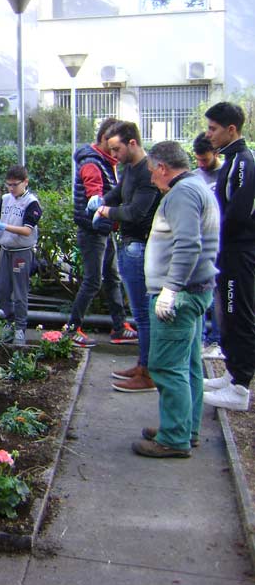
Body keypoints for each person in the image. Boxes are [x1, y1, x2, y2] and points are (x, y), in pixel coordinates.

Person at [133, 141, 219, 458]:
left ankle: (173, 438)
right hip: (195, 290)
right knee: (189, 365)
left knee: (167, 367)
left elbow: (188, 244)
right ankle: (183, 427)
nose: (151, 178)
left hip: (180, 297)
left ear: (162, 168)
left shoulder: (182, 193)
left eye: (152, 171)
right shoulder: (195, 186)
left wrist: (169, 290)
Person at [92, 122, 161, 392]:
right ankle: (143, 365)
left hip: (140, 247)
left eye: (116, 149)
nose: (114, 155)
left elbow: (135, 212)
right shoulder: (131, 168)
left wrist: (106, 212)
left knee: (143, 315)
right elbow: (119, 192)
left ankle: (148, 373)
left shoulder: (147, 172)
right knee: (140, 313)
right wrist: (100, 199)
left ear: (132, 143)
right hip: (129, 244)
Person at [202, 102, 255, 411]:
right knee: (228, 315)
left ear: (231, 129)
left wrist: (214, 234)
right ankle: (232, 373)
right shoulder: (231, 160)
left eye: (213, 128)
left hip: (239, 252)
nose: (209, 134)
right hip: (228, 251)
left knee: (238, 314)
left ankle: (239, 387)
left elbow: (237, 214)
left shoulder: (243, 163)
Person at [66, 118, 137, 348]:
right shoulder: (92, 163)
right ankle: (71, 329)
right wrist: (107, 209)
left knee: (113, 278)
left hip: (104, 230)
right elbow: (94, 196)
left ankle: (119, 327)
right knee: (93, 281)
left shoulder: (107, 162)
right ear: (105, 139)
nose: (118, 151)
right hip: (93, 231)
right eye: (115, 145)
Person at [0, 165, 43, 346]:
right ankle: (10, 321)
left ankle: (20, 329)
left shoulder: (32, 203)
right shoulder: (5, 199)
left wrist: (4, 227)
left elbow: (26, 230)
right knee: (1, 292)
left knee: (19, 293)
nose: (11, 189)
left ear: (25, 182)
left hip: (21, 253)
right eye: (8, 185)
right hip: (5, 250)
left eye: (14, 185)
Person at [193, 131, 224, 360]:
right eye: (198, 159)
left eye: (205, 159)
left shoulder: (226, 175)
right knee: (201, 290)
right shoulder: (195, 177)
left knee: (219, 294)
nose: (201, 163)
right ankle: (202, 338)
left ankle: (216, 340)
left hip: (222, 244)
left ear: (215, 153)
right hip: (200, 245)